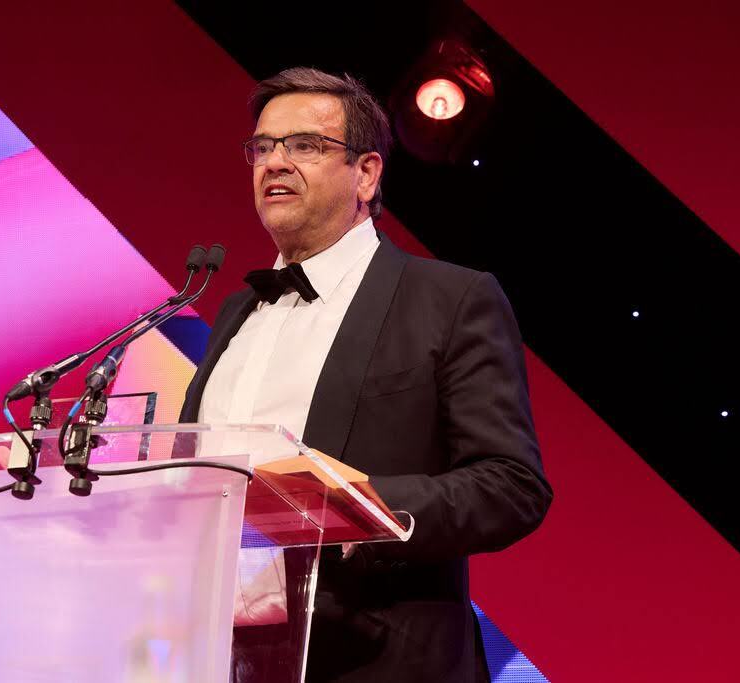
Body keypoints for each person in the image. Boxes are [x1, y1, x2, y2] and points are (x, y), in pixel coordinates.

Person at [179, 67, 552, 683]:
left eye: (304, 145)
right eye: (263, 147)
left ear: (367, 173)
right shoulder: (235, 311)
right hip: (221, 658)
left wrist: (365, 506)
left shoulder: (450, 299)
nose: (275, 163)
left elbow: (512, 486)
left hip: (377, 661)